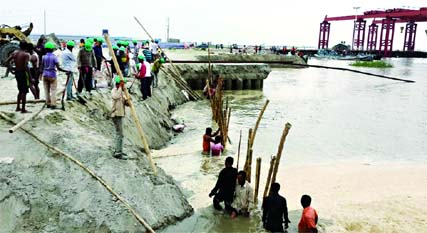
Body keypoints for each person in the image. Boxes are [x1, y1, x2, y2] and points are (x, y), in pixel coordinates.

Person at [40, 41, 68, 109]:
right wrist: (66, 71)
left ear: (46, 49)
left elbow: (41, 66)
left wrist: (40, 74)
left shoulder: (43, 57)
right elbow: (58, 68)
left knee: (46, 90)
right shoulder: (54, 57)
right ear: (52, 49)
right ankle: (53, 104)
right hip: (52, 75)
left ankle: (48, 103)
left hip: (45, 74)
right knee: (53, 90)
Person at [4, 41, 31, 113]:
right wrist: (30, 77)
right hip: (23, 73)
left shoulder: (15, 53)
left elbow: (6, 61)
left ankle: (18, 107)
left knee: (20, 90)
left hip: (17, 72)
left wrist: (11, 69)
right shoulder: (26, 54)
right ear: (26, 47)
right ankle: (23, 109)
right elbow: (26, 66)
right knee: (24, 91)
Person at [111, 76, 129, 159]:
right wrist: (121, 88)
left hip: (120, 114)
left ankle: (119, 150)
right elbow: (116, 96)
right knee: (119, 134)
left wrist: (128, 100)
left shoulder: (121, 92)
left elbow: (126, 102)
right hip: (116, 115)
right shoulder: (114, 91)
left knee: (120, 134)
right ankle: (118, 152)